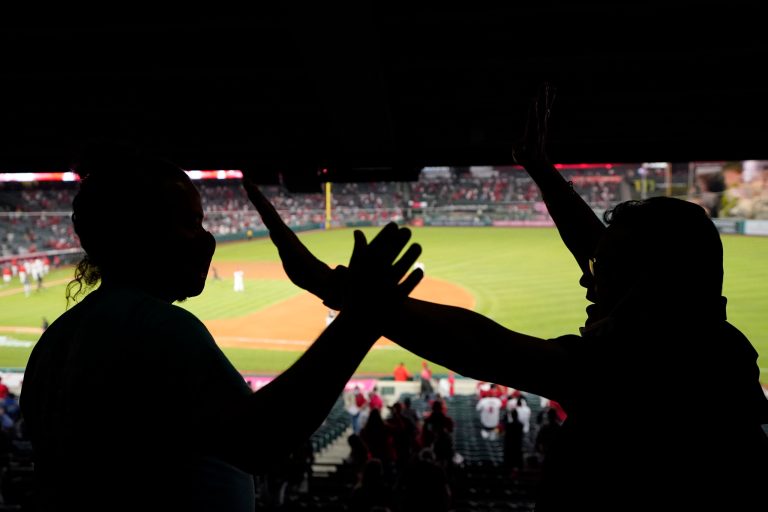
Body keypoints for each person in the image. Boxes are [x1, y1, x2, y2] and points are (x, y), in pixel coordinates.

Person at [242, 88, 768, 510]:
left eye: (604, 276)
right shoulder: (711, 344)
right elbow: (605, 257)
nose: (588, 283)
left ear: (648, 287)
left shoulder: (641, 365)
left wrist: (337, 291)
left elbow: (484, 346)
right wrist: (540, 169)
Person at [19, 146, 424, 512]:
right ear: (140, 233)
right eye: (191, 224)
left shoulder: (56, 339)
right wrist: (360, 320)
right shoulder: (156, 326)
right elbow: (260, 440)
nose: (207, 240)